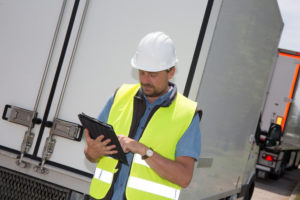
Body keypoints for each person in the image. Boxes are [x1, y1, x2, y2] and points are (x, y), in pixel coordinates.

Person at [84, 32, 201, 200]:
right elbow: (91, 154)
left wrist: (144, 150)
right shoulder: (119, 96)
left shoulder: (187, 114)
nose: (146, 80)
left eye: (153, 75)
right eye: (142, 72)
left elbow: (184, 177)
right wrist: (92, 152)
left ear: (171, 72)